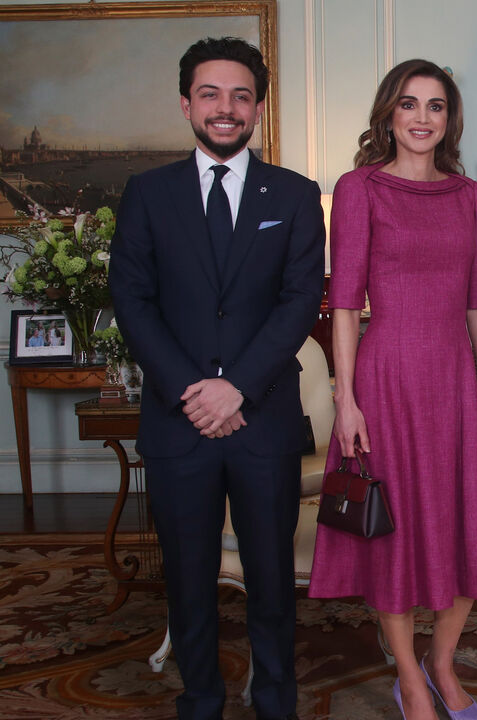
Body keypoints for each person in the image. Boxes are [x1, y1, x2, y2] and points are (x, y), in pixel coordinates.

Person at [109, 37, 325, 720]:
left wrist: (238, 386)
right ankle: (200, 699)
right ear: (186, 105)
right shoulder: (147, 194)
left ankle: (275, 702)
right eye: (210, 94)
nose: (225, 108)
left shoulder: (292, 194)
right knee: (190, 580)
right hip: (180, 423)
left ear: (258, 107)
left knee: (270, 581)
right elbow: (132, 300)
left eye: (239, 95)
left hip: (263, 420)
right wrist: (193, 390)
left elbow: (299, 300)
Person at [307, 59, 477, 720]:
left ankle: (441, 665)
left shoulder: (468, 195)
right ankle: (412, 683)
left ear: (450, 119)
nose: (423, 118)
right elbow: (343, 304)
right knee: (392, 535)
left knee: (462, 529)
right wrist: (346, 400)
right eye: (410, 104)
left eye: (436, 106)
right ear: (389, 113)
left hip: (452, 380)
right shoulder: (360, 188)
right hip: (386, 377)